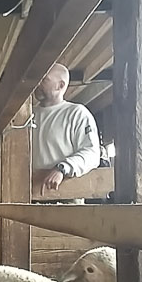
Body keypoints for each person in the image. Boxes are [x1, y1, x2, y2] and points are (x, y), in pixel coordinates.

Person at [32, 63, 100, 195]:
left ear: (60, 85)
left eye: (44, 79)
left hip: (66, 195)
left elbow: (92, 153)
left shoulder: (77, 113)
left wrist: (63, 169)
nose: (38, 83)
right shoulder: (27, 116)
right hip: (30, 195)